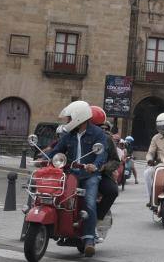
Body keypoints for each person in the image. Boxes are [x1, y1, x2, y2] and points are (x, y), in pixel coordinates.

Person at [50, 100, 108, 257]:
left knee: (89, 202)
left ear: (78, 118)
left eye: (69, 118)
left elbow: (101, 153)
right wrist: (43, 158)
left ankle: (89, 239)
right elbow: (57, 150)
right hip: (70, 173)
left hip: (90, 175)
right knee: (55, 197)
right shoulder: (69, 135)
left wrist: (95, 165)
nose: (67, 121)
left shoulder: (97, 133)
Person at [91, 107, 119, 235]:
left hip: (100, 174)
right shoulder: (75, 135)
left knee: (112, 191)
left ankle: (98, 218)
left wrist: (104, 167)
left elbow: (115, 160)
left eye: (102, 127)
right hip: (77, 173)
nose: (100, 130)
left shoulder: (107, 139)